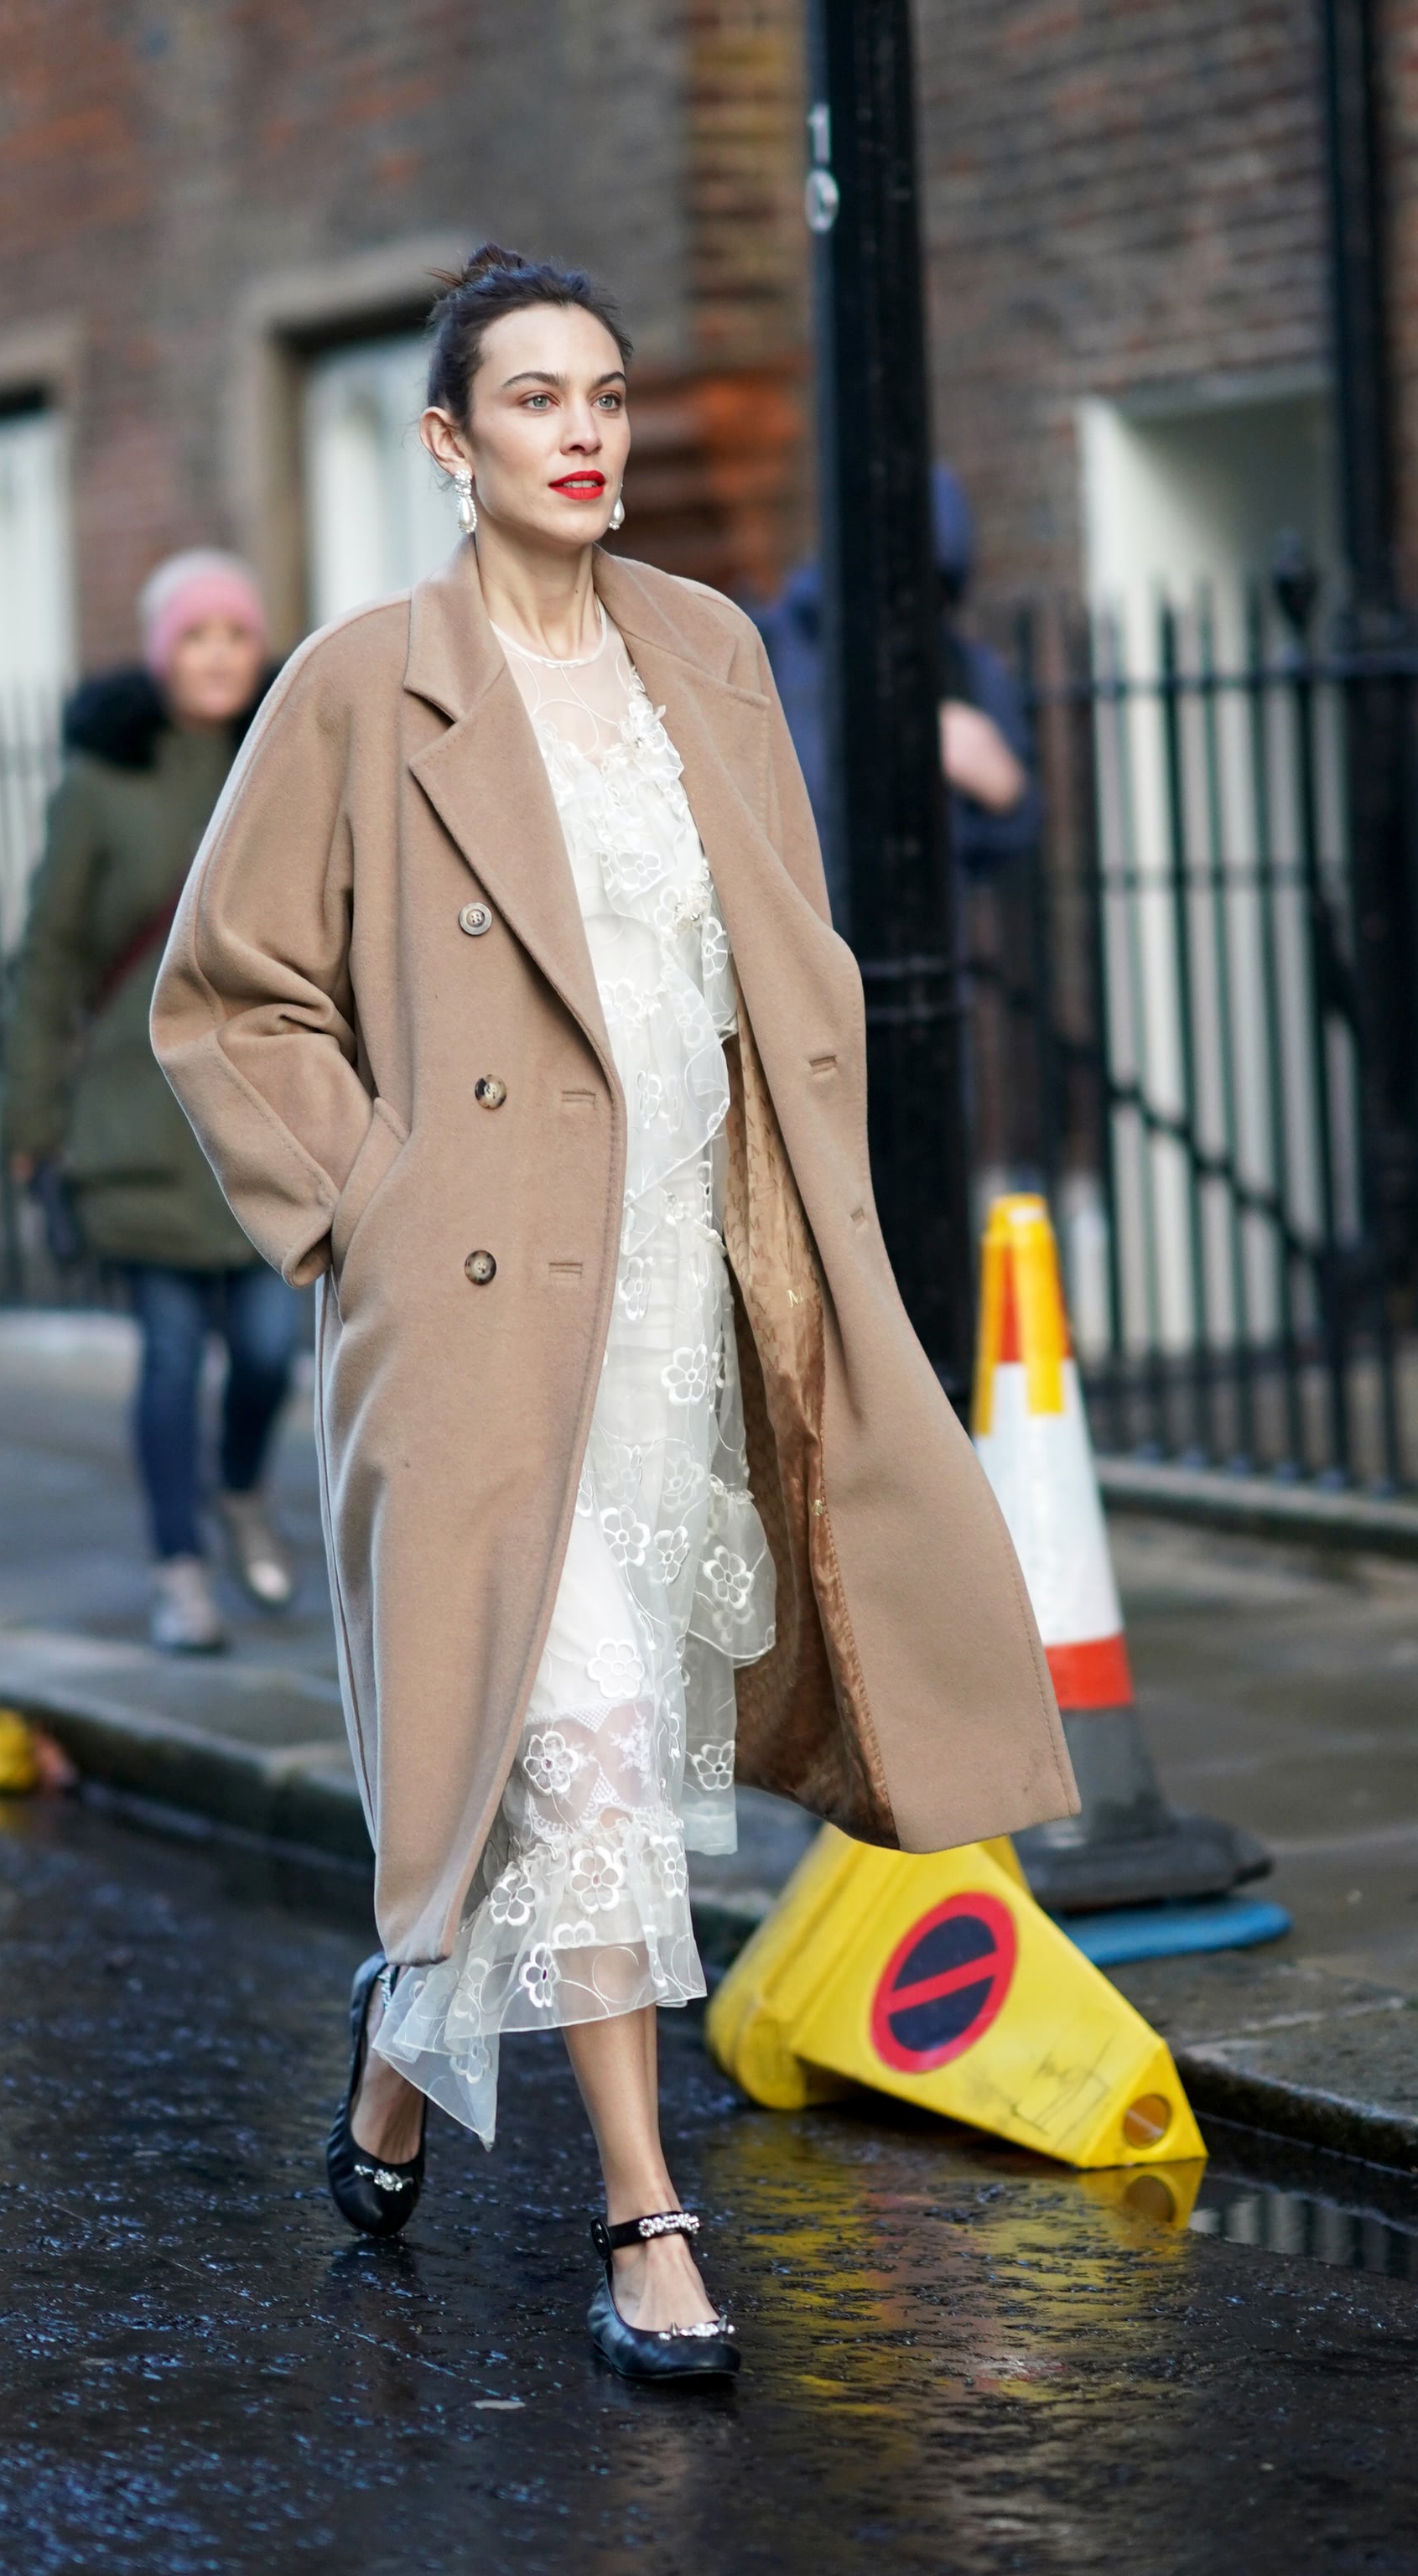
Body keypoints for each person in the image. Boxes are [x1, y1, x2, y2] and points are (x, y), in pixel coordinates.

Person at [152, 248, 1077, 2381]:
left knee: (615, 1735)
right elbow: (225, 995)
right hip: (476, 1301)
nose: (585, 433)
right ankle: (644, 2208)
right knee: (562, 1719)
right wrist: (365, 1204)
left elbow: (780, 940)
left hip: (685, 1268)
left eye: (610, 395)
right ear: (445, 440)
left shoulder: (706, 648)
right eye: (536, 398)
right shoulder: (356, 684)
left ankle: (402, 2041)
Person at [3, 550, 303, 1654]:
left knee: (271, 1347)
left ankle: (239, 1494)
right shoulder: (99, 783)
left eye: (235, 634)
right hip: (135, 1126)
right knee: (173, 1353)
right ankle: (180, 1566)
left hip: (266, 1117)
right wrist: (31, 1128)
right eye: (196, 636)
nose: (219, 655)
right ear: (159, 653)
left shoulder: (288, 759)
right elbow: (46, 963)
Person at [752, 464, 1039, 904]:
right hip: (794, 950)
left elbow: (1014, 830)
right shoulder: (763, 647)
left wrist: (1006, 792)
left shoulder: (963, 670)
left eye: (930, 589)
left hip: (922, 955)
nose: (903, 606)